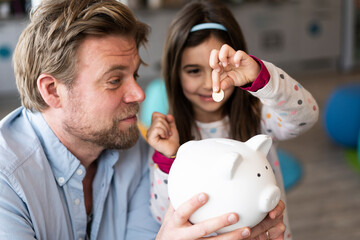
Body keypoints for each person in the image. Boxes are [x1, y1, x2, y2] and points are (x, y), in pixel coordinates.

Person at [0, 0, 285, 239]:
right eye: (114, 81)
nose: (139, 94)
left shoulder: (135, 152)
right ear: (52, 91)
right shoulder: (7, 180)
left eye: (134, 75)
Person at [146, 0, 319, 240]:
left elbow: (306, 117)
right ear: (175, 74)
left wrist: (261, 78)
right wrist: (167, 158)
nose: (210, 83)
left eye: (220, 67)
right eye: (194, 71)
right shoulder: (171, 138)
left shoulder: (259, 116)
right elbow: (160, 214)